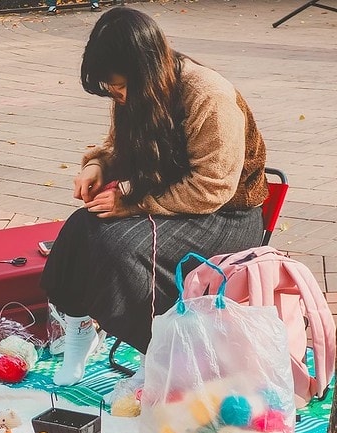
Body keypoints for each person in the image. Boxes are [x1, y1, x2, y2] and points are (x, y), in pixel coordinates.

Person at [41, 7, 267, 385]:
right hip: (174, 203)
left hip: (225, 215)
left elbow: (212, 187)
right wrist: (99, 167)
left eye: (119, 86)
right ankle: (80, 330)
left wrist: (130, 201)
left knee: (122, 249)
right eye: (111, 88)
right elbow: (122, 150)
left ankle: (160, 352)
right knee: (82, 225)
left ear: (144, 69)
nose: (117, 94)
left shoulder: (208, 95)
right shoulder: (139, 89)